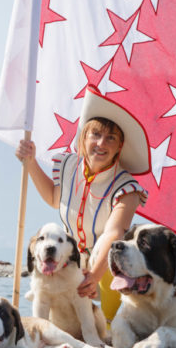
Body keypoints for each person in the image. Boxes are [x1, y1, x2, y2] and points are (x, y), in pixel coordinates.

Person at [15, 85, 151, 325]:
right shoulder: (68, 166)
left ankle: (114, 320)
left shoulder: (127, 187)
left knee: (112, 318)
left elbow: (114, 233)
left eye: (111, 138)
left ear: (119, 146)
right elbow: (54, 198)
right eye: (95, 134)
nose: (101, 143)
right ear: (83, 137)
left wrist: (94, 276)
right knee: (49, 247)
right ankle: (43, 317)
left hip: (110, 266)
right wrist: (31, 162)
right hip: (74, 264)